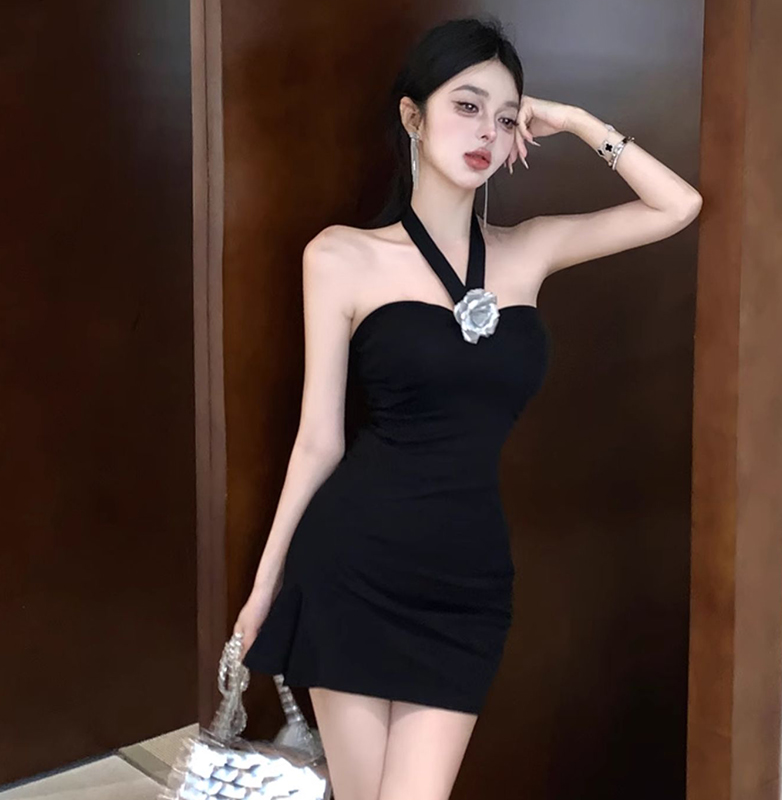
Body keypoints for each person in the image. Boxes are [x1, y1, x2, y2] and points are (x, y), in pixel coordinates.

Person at [233, 14, 702, 800]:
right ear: (412, 116)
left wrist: (577, 121)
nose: (488, 130)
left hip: (465, 579)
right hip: (353, 566)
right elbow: (318, 441)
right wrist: (262, 587)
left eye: (507, 117)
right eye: (466, 105)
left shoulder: (529, 249)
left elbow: (677, 205)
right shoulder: (341, 255)